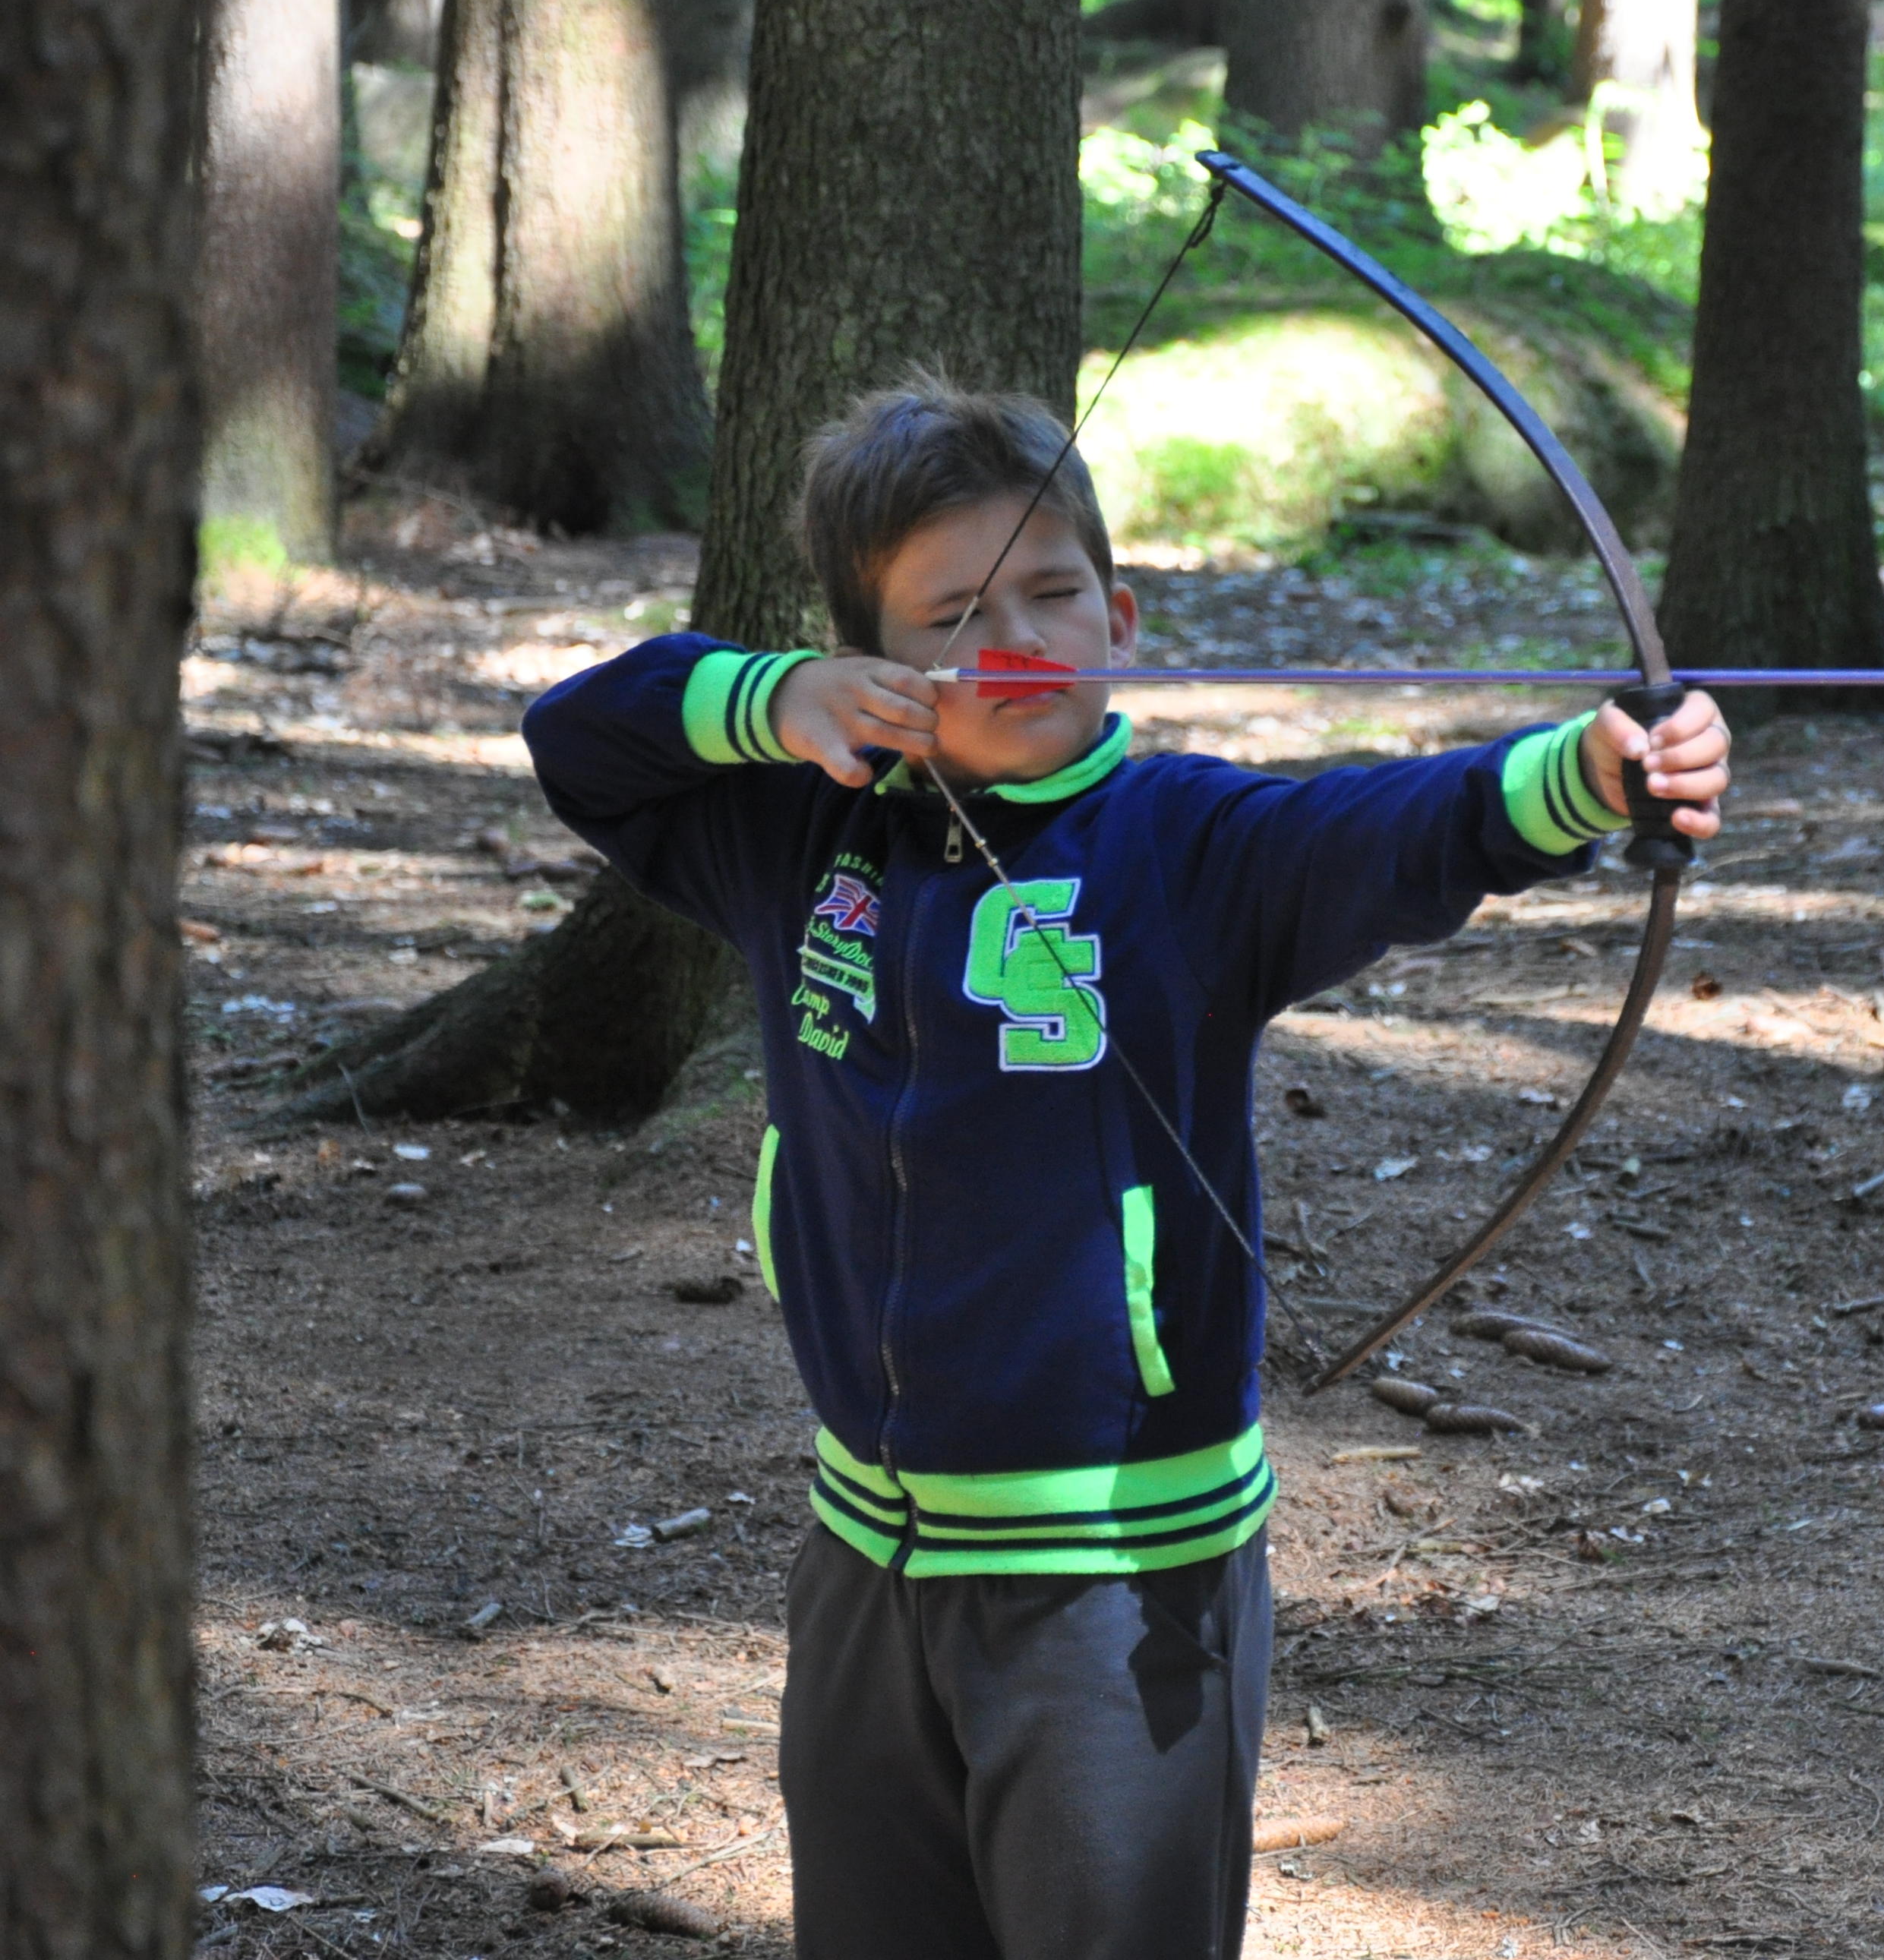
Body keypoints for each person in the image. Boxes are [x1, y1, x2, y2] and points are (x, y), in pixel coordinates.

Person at [521, 376, 1732, 1960]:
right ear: (875, 665)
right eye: (952, 614)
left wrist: (1586, 773)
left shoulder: (1189, 847)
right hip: (865, 1552)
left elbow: (1385, 831)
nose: (1016, 638)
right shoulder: (798, 840)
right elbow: (577, 740)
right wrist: (775, 698)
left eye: (1051, 591)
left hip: (1120, 1572)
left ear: (1122, 616)